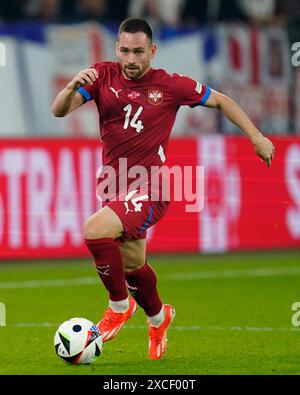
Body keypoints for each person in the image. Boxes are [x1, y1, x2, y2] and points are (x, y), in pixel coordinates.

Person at [52, 16, 275, 360]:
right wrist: (69, 88)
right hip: (114, 185)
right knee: (133, 267)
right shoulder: (101, 75)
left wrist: (256, 137)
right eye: (125, 50)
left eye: (138, 51)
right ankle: (159, 318)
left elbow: (223, 101)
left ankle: (118, 306)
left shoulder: (171, 86)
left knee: (95, 231)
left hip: (151, 188)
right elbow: (59, 111)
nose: (131, 59)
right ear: (117, 48)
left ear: (152, 51)